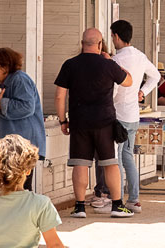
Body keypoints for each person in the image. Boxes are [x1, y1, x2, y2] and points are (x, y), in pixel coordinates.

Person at [55, 28, 133, 219]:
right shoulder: (108, 64)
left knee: (80, 164)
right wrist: (110, 61)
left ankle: (80, 207)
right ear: (100, 44)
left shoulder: (70, 64)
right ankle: (117, 205)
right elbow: (129, 81)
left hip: (79, 121)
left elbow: (59, 96)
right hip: (105, 121)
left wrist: (63, 120)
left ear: (82, 44)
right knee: (110, 164)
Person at [110, 19, 161, 214]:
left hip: (118, 115)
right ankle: (134, 198)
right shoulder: (140, 56)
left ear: (115, 36)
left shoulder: (116, 61)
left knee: (117, 159)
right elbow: (155, 75)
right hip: (133, 115)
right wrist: (143, 91)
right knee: (128, 157)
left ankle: (117, 198)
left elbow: (114, 89)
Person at [0, 47, 47, 190]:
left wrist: (1, 102)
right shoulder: (9, 81)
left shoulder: (20, 79)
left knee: (21, 188)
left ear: (5, 67)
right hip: (13, 146)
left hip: (22, 146)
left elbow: (27, 106)